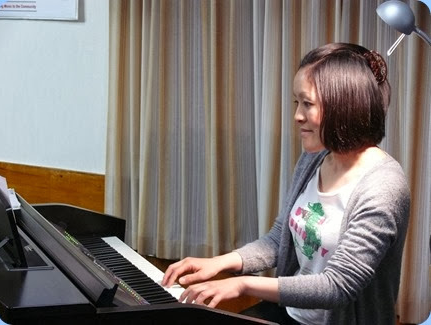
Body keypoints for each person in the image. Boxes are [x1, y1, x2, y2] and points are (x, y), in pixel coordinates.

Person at [161, 43, 410, 325]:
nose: (297, 116)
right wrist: (220, 262)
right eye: (296, 103)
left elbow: (338, 285)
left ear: (344, 105)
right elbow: (280, 238)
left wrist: (243, 285)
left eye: (308, 104)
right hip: (292, 313)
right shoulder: (315, 158)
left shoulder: (383, 186)